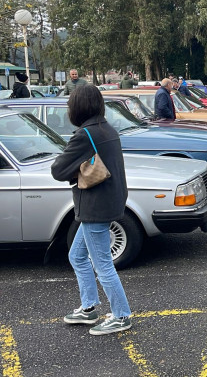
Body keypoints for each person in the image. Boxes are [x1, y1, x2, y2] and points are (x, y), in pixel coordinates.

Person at [50, 84, 132, 335]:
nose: (68, 108)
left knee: (103, 264)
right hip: (109, 202)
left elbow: (57, 170)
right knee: (77, 256)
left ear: (79, 106)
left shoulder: (84, 134)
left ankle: (121, 315)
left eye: (70, 104)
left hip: (95, 207)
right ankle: (89, 308)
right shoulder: (106, 129)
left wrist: (76, 168)